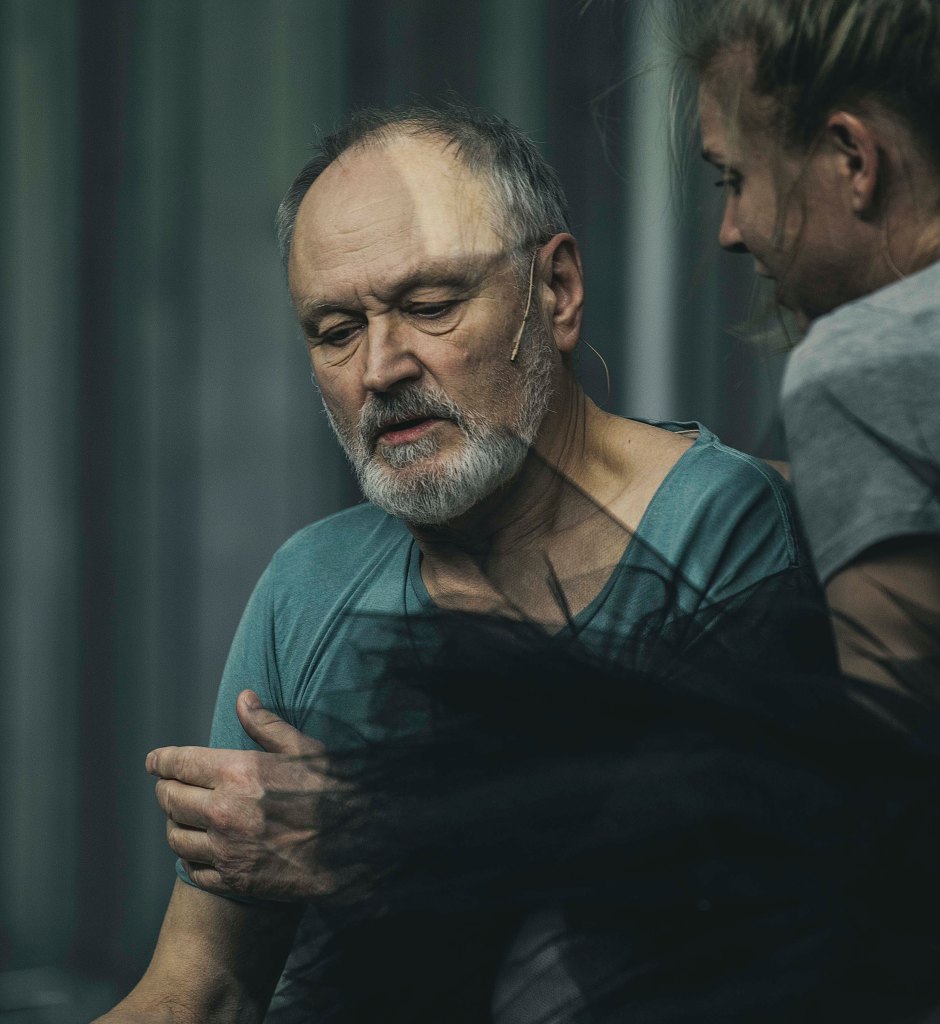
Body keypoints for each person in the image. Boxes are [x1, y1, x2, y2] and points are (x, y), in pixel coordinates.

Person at [95, 102, 829, 1022]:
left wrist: (373, 840)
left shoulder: (715, 528)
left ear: (556, 291)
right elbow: (201, 988)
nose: (380, 368)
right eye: (336, 330)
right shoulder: (309, 583)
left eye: (430, 306)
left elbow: (727, 932)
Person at [689, 0, 940, 700]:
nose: (730, 231)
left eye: (735, 179)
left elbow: (909, 746)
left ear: (853, 159)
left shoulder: (879, 359)